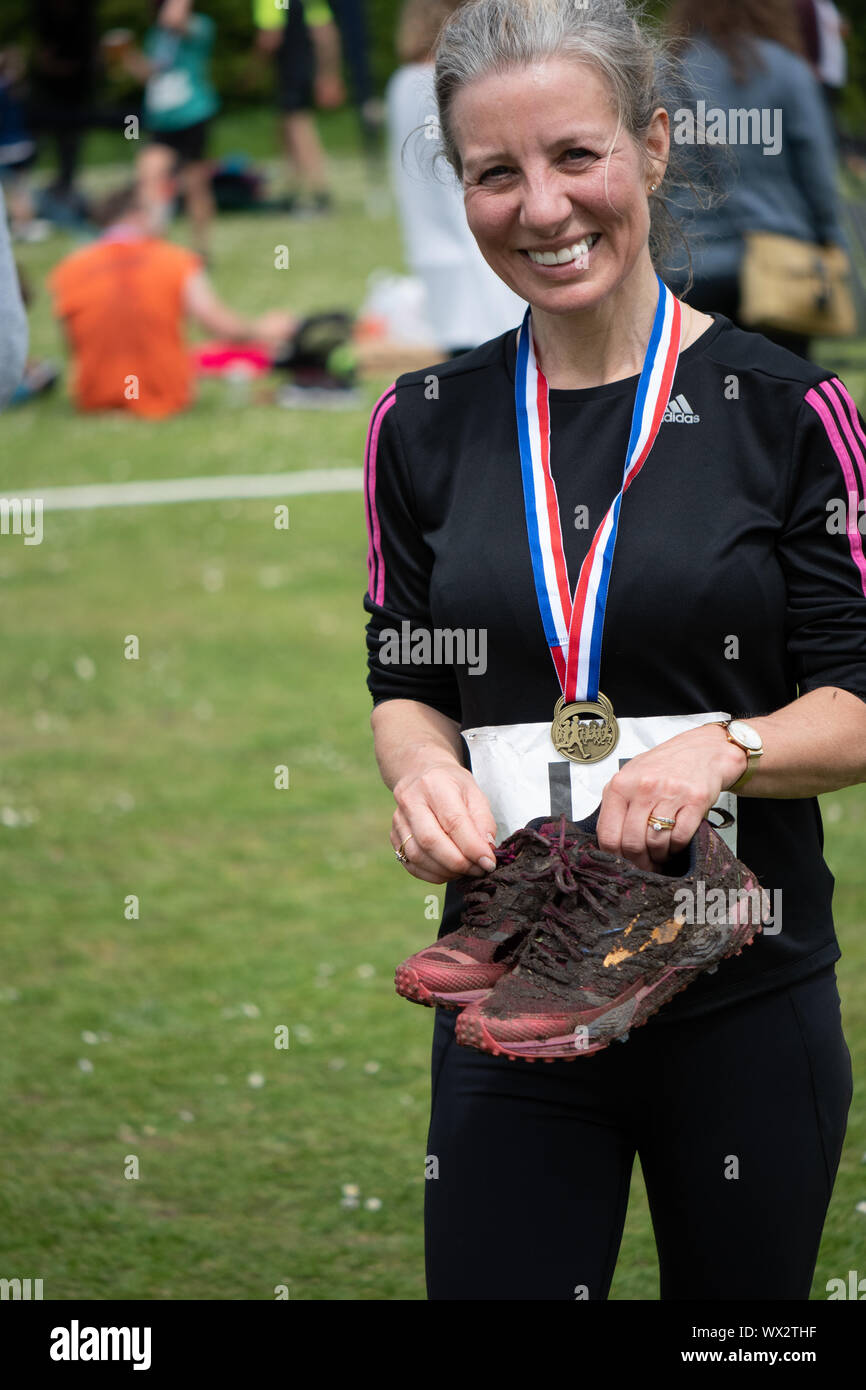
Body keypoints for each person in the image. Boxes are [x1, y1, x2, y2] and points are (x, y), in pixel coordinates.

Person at [363, 0, 863, 1301]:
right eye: (494, 172)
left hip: (739, 989)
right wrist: (414, 769)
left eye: (573, 155)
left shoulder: (786, 410)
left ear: (649, 146)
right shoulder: (418, 425)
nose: (541, 207)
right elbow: (408, 681)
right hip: (511, 995)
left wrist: (731, 743)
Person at [666, 0, 845, 360]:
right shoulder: (788, 71)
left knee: (701, 402)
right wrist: (830, 242)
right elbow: (819, 180)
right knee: (781, 400)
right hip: (781, 268)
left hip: (690, 267)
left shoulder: (667, 74)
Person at [47, 183, 294, 418]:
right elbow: (217, 323)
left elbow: (75, 344)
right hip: (164, 394)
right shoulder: (174, 260)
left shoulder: (70, 269)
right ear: (137, 214)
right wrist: (261, 331)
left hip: (95, 397)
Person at [386, 0, 525, 355]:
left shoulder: (401, 82)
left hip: (431, 253)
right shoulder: (451, 85)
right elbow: (464, 188)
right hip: (475, 264)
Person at [120, 0, 220, 259]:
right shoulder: (157, 34)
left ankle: (201, 249)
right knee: (149, 174)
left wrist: (176, 11)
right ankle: (155, 245)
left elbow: (177, 21)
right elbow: (152, 74)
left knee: (195, 183)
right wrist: (127, 58)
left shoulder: (199, 25)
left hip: (193, 115)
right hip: (162, 120)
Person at [252, 0, 341, 217]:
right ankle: (293, 191)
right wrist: (328, 73)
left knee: (299, 127)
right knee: (286, 128)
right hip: (306, 67)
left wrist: (252, 70)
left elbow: (270, 37)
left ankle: (320, 192)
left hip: (290, 69)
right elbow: (326, 34)